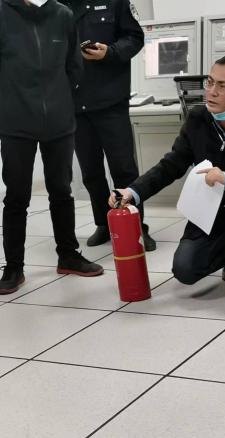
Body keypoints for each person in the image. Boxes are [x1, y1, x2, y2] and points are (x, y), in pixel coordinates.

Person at [111, 55, 225, 303]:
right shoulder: (198, 119)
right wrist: (132, 192)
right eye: (210, 82)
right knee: (185, 270)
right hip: (213, 211)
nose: (212, 92)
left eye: (223, 86)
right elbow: (171, 165)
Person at [0, 0, 103, 295]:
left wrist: (60, 98)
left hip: (58, 120)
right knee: (16, 196)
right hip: (15, 122)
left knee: (61, 190)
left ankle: (68, 255)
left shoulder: (62, 14)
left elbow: (74, 66)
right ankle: (14, 267)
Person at [62, 0, 156, 251]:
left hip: (111, 101)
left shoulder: (116, 2)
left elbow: (134, 38)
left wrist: (111, 52)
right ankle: (104, 223)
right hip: (75, 103)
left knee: (124, 169)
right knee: (91, 172)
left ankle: (135, 225)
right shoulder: (59, 6)